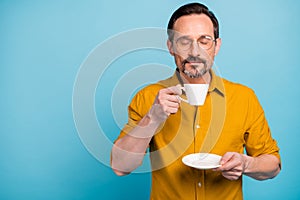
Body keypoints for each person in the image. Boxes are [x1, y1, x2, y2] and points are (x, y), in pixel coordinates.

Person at [111, 2, 281, 200]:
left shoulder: (244, 98)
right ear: (171, 46)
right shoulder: (149, 97)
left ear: (216, 46)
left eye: (204, 40)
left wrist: (246, 164)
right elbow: (120, 167)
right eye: (184, 41)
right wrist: (152, 118)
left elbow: (273, 165)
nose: (194, 51)